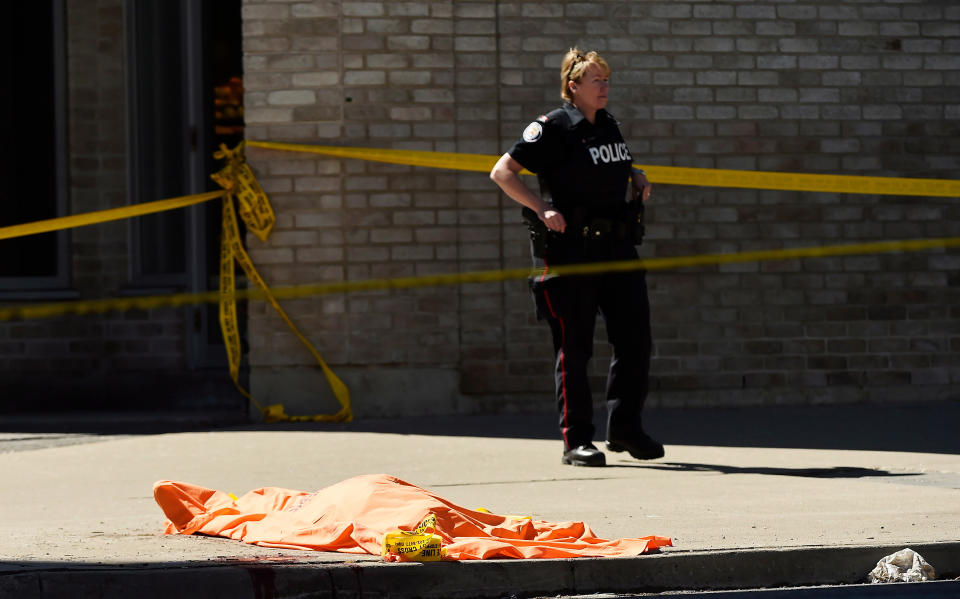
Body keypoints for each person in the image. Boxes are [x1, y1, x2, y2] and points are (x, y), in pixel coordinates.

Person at [489, 48, 663, 467]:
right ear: (574, 86)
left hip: (618, 249)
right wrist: (541, 208)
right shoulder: (553, 127)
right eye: (596, 80)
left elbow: (612, 165)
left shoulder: (607, 124)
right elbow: (502, 172)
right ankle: (577, 441)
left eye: (606, 79)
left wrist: (634, 175)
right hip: (571, 252)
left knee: (636, 339)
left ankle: (625, 428)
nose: (604, 87)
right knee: (575, 347)